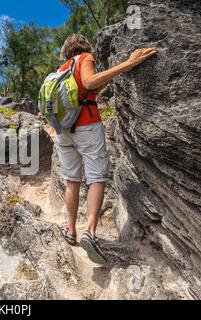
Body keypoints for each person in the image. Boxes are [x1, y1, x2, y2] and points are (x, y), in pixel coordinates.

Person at [57, 34, 156, 264]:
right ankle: (89, 233)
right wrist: (128, 64)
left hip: (63, 130)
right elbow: (90, 82)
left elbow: (88, 90)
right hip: (86, 127)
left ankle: (70, 230)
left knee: (72, 180)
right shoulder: (85, 58)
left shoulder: (63, 69)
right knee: (97, 178)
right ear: (83, 47)